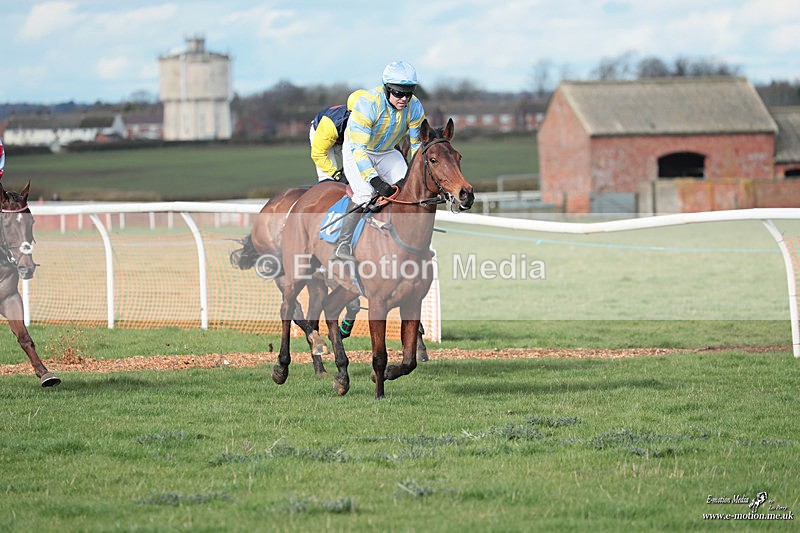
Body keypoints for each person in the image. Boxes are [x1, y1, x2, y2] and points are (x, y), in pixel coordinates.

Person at [332, 60, 426, 263]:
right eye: (398, 93)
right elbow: (358, 150)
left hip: (386, 152)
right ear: (387, 89)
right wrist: (375, 181)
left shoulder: (415, 106)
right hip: (358, 150)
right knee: (366, 193)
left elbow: (417, 145)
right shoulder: (368, 103)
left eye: (408, 93)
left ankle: (407, 241)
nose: (404, 98)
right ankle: (343, 243)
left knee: (407, 189)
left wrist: (417, 175)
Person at [309, 90, 368, 183]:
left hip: (342, 136)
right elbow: (318, 153)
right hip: (323, 134)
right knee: (328, 178)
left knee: (359, 171)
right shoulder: (331, 124)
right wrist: (336, 175)